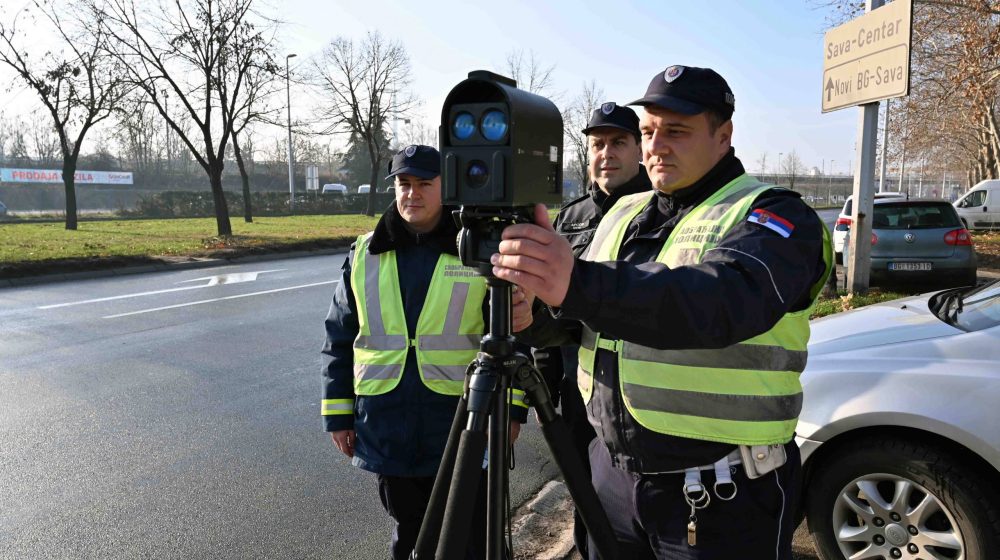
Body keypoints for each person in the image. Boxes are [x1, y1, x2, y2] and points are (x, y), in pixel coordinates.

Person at [493, 66, 832, 560]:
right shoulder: (625, 212)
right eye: (649, 132)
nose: (656, 146)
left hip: (722, 491)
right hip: (611, 477)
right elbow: (585, 322)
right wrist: (534, 315)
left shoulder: (775, 215)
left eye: (676, 131)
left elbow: (721, 302)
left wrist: (576, 281)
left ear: (724, 136)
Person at [321, 144, 531, 560]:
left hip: (460, 426)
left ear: (445, 188)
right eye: (403, 184)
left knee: (473, 539)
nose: (411, 194)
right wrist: (338, 414)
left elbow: (513, 337)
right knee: (412, 534)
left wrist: (512, 413)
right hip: (386, 425)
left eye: (423, 184)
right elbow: (340, 337)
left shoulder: (478, 250)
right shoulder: (364, 253)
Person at [532, 101, 650, 558]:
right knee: (586, 497)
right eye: (597, 144)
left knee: (636, 507)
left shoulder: (661, 210)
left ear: (639, 148)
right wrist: (543, 393)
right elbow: (549, 314)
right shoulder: (570, 218)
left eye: (619, 142)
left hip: (641, 393)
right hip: (578, 390)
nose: (606, 153)